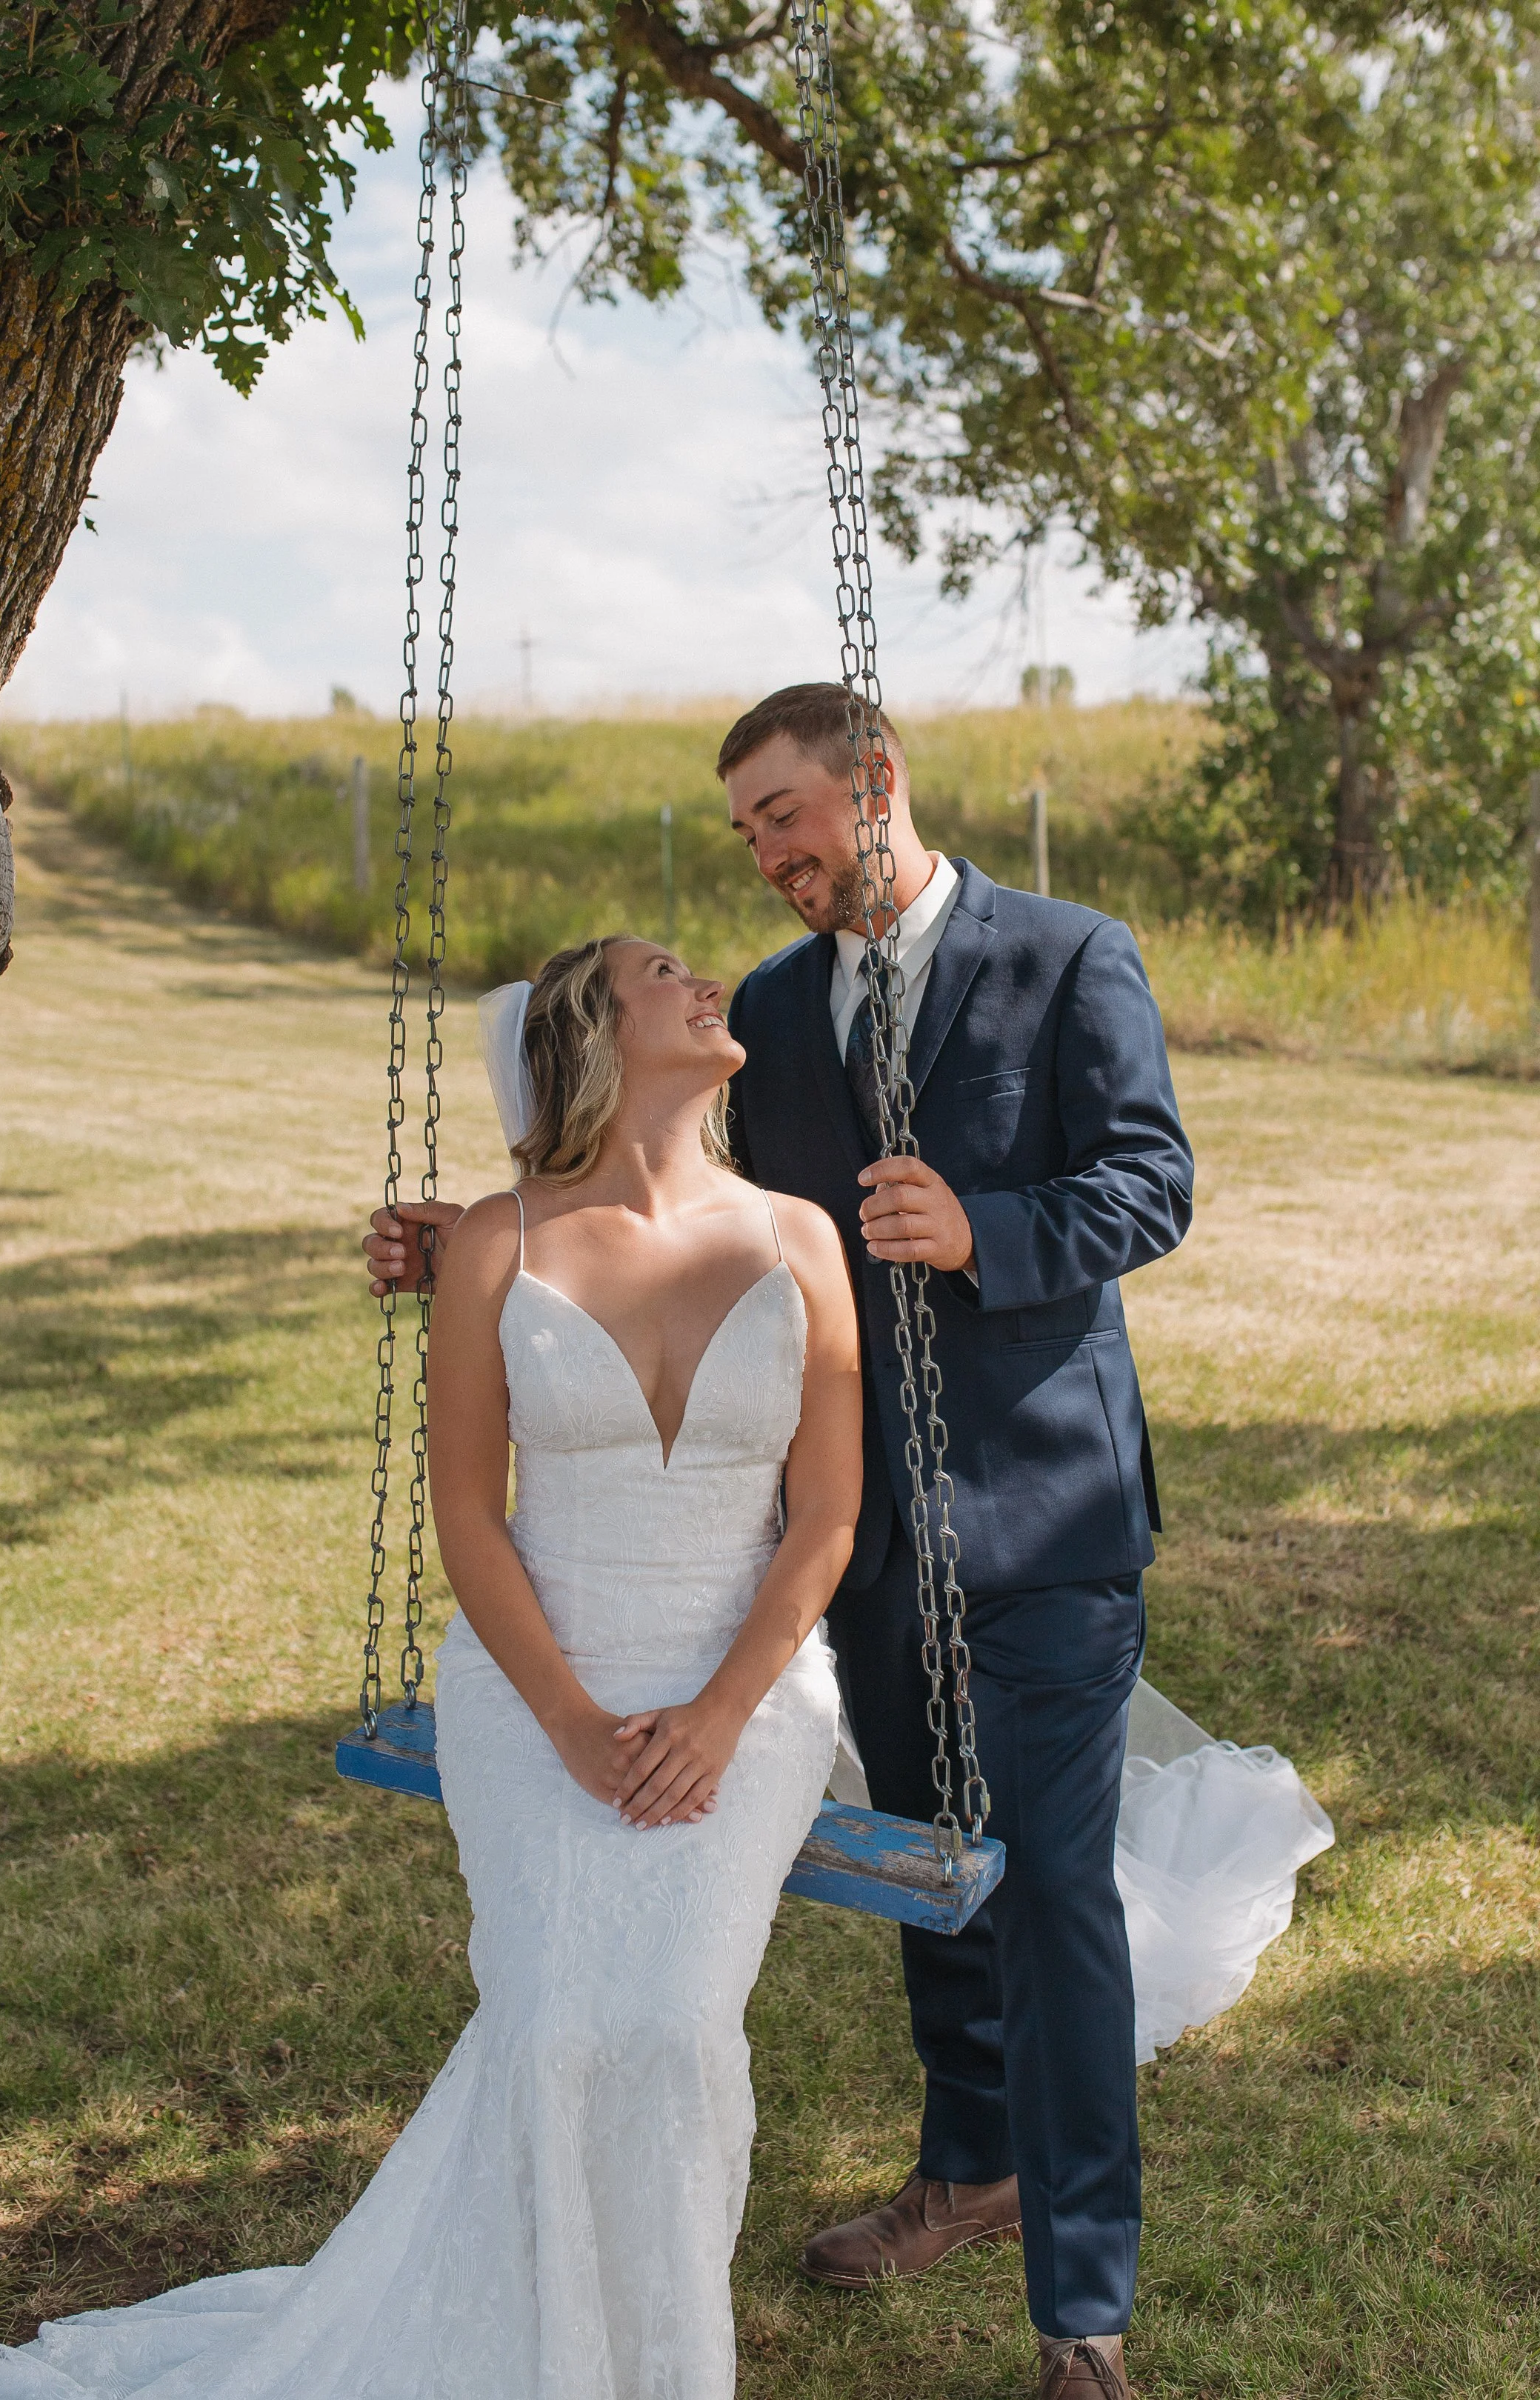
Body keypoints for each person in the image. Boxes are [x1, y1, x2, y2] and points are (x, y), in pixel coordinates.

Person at [363, 687, 1332, 2400]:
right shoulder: (785, 1015)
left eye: (784, 815)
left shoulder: (1067, 957)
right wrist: (478, 1239)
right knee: (930, 1870)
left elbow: (1151, 1181)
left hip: (1041, 1511)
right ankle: (968, 2166)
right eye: (746, 831)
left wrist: (990, 1228)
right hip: (849, 1529)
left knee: (1046, 1893)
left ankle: (1081, 2310)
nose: (767, 854)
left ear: (874, 783)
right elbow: (670, 1197)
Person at [0, 934, 862, 2400]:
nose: (710, 984)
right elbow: (465, 1514)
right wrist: (569, 1720)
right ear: (594, 1032)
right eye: (667, 970)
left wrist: (719, 1710)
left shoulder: (801, 1237)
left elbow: (826, 1516)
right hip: (536, 1684)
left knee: (676, 2027)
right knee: (563, 2023)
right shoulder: (497, 1246)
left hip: (740, 1690)